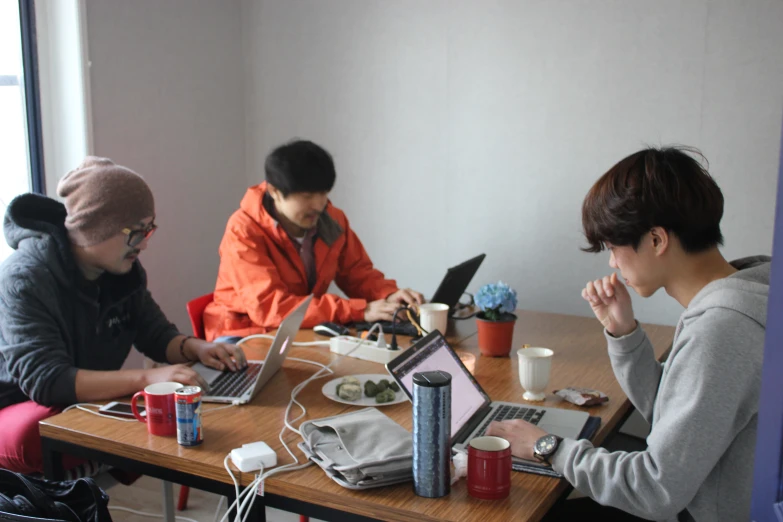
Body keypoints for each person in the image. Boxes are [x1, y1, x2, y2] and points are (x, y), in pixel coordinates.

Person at [488, 147, 770, 522]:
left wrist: (547, 447)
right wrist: (623, 333)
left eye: (613, 247)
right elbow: (681, 419)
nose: (612, 262)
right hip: (699, 497)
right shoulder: (752, 285)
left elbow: (655, 489)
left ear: (656, 240)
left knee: (521, 508)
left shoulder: (722, 330)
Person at [0, 157, 246, 477]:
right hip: (18, 404)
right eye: (135, 232)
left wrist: (195, 348)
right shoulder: (24, 279)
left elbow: (154, 334)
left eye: (149, 230)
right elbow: (46, 381)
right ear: (94, 228)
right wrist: (147, 379)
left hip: (69, 399)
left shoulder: (122, 268)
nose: (143, 244)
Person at [204, 139, 424, 342]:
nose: (319, 205)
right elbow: (270, 307)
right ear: (275, 192)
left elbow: (357, 273)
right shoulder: (243, 230)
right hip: (242, 334)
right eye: (308, 196)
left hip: (300, 328)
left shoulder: (330, 220)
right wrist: (359, 310)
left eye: (323, 193)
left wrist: (389, 294)